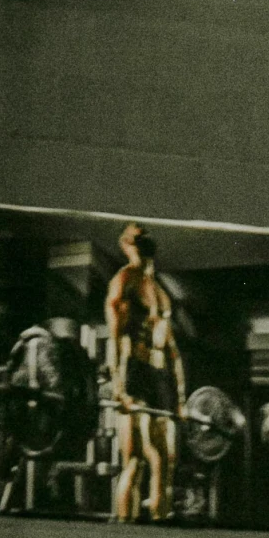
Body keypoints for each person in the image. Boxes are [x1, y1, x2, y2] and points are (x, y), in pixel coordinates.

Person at [105, 223, 185, 522]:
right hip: (135, 372)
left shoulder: (160, 291)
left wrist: (180, 397)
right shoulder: (124, 280)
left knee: (165, 461)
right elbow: (115, 337)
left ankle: (159, 526)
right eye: (136, 238)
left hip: (160, 377)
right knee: (135, 461)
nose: (142, 242)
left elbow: (172, 349)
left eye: (145, 237)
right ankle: (126, 529)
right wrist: (119, 388)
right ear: (127, 244)